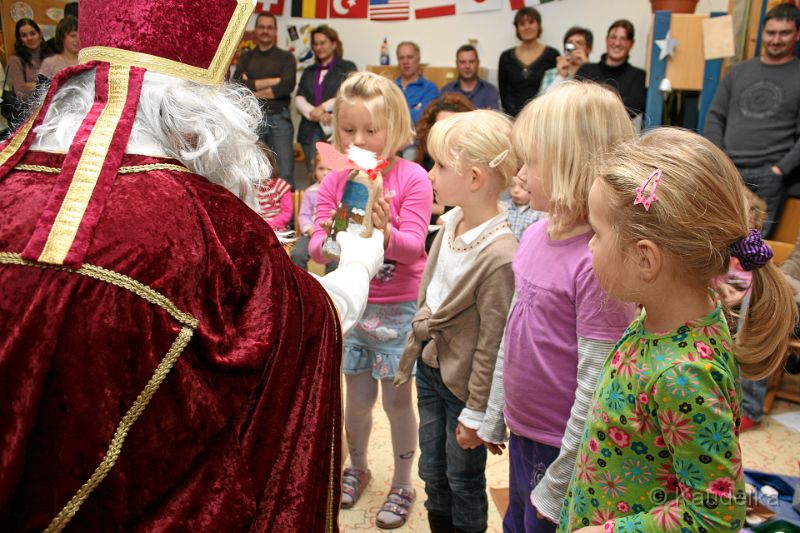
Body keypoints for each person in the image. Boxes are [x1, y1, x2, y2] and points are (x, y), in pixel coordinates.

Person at [0, 0, 385, 530]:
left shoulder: (9, 186)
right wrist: (361, 266)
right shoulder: (211, 227)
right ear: (199, 111)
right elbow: (298, 328)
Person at [558, 127, 797, 533]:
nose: (590, 246)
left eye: (597, 233)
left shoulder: (684, 374)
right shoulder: (662, 316)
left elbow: (717, 512)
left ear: (645, 259)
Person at [477, 82, 636, 533]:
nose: (519, 173)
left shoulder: (596, 262)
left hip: (564, 449)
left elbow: (596, 382)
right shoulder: (532, 234)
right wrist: (496, 412)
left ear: (571, 164)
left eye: (530, 161)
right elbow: (514, 331)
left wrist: (562, 479)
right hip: (525, 431)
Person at [309, 71, 433, 529]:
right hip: (351, 309)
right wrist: (341, 230)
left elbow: (414, 247)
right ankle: (356, 467)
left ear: (394, 127)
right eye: (348, 129)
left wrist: (383, 230)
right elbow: (319, 249)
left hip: (398, 311)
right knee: (355, 400)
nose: (358, 139)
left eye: (371, 130)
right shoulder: (334, 184)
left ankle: (403, 481)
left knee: (398, 404)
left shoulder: (413, 178)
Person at [394, 110, 518, 533]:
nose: (430, 175)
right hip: (431, 371)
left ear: (475, 178)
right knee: (433, 471)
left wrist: (477, 414)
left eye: (440, 166)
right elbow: (431, 291)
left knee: (463, 480)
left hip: (465, 387)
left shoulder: (501, 256)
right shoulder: (449, 222)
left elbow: (491, 344)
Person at [704, 3, 800, 238]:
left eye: (784, 33)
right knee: (716, 240)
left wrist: (780, 170)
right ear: (762, 33)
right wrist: (720, 159)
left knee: (753, 251)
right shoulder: (738, 72)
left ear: (797, 34)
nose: (776, 40)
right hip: (728, 171)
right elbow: (715, 116)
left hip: (769, 175)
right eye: (771, 32)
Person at [233, 12, 297, 189]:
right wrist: (273, 81)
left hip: (279, 119)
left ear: (275, 31)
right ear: (255, 30)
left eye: (269, 27)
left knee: (284, 171)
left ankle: (288, 217)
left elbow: (286, 87)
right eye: (261, 27)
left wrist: (252, 87)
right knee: (253, 170)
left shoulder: (286, 58)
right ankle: (256, 213)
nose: (265, 31)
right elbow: (239, 86)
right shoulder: (246, 57)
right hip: (253, 119)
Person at [412, 93, 475, 251]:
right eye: (441, 126)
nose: (446, 134)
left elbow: (449, 209)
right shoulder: (421, 160)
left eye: (453, 127)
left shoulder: (468, 166)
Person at [294, 25, 357, 169]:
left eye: (323, 43)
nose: (318, 47)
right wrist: (314, 114)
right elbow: (299, 98)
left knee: (339, 172)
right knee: (315, 173)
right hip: (309, 132)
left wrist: (324, 108)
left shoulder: (347, 67)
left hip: (337, 129)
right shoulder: (309, 71)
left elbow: (350, 94)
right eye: (315, 44)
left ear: (334, 44)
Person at [576, 19, 646, 120]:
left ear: (631, 43)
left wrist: (592, 102)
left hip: (620, 135)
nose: (617, 43)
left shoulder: (639, 76)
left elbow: (631, 109)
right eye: (613, 37)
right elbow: (575, 103)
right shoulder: (586, 69)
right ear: (606, 40)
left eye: (623, 39)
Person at [498, 7, 559, 117]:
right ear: (517, 28)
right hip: (513, 118)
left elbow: (557, 90)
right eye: (522, 24)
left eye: (531, 22)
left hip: (545, 116)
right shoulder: (506, 57)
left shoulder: (552, 55)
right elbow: (504, 94)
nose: (527, 27)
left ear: (538, 25)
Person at [4, 18, 49, 126]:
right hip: (28, 117)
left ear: (39, 34)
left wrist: (30, 85)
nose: (29, 38)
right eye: (24, 35)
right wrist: (47, 86)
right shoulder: (15, 60)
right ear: (20, 40)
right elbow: (20, 92)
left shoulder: (51, 55)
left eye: (32, 33)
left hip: (50, 112)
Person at [292, 152, 330, 270]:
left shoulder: (340, 192)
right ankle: (302, 286)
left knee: (336, 259)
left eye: (330, 169)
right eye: (321, 169)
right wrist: (311, 230)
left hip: (332, 235)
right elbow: (304, 215)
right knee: (297, 254)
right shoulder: (310, 192)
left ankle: (330, 288)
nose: (325, 172)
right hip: (311, 234)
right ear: (314, 172)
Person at [440, 44, 499, 110]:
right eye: (462, 62)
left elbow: (493, 118)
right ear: (457, 64)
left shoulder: (490, 91)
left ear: (478, 63)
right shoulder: (447, 90)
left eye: (471, 62)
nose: (467, 66)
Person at [538, 26, 593, 96]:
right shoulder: (551, 74)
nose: (574, 47)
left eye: (579, 43)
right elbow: (542, 102)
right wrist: (561, 77)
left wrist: (587, 68)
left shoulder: (597, 71)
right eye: (570, 43)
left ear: (589, 49)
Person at [395, 41, 440, 124]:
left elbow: (423, 118)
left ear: (418, 59)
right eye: (401, 58)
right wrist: (413, 111)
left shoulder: (430, 89)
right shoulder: (389, 88)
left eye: (410, 57)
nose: (405, 62)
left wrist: (394, 114)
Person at [39, 16, 79, 80]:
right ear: (61, 38)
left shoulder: (90, 62)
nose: (78, 39)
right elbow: (41, 89)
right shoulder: (49, 63)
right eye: (73, 36)